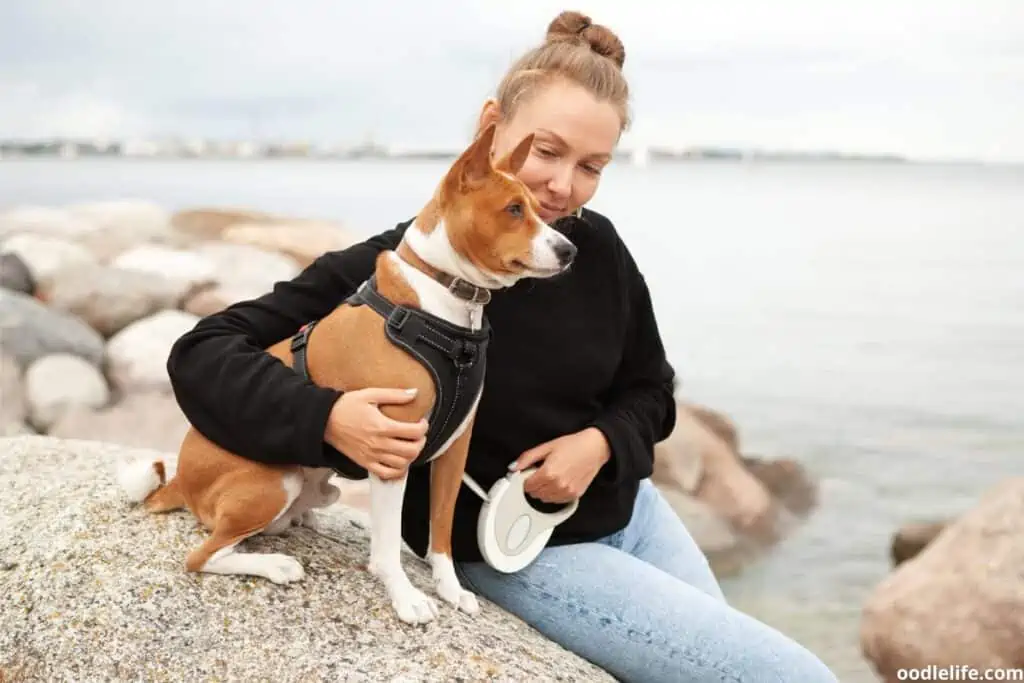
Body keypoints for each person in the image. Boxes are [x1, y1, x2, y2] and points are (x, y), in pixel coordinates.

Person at [166, 10, 838, 683]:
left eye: (591, 166)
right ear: (492, 128)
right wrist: (327, 420)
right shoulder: (392, 274)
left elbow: (652, 390)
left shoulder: (593, 249)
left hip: (636, 514)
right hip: (520, 552)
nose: (563, 186)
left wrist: (600, 443)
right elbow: (204, 351)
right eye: (547, 152)